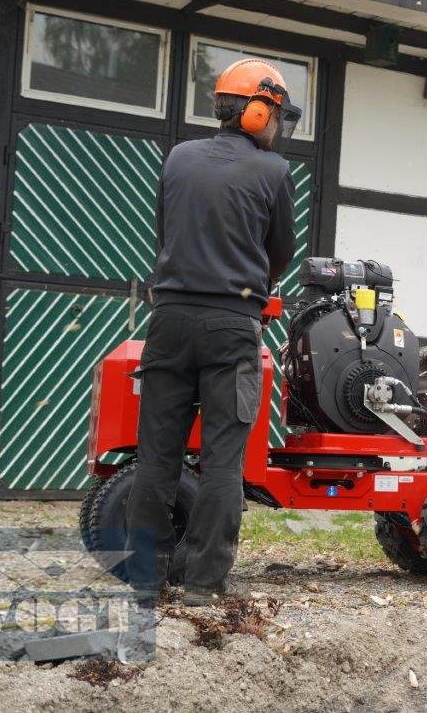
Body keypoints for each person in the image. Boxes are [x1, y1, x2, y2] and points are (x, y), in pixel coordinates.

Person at [124, 58, 301, 606]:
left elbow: (166, 233)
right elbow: (281, 253)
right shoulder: (274, 172)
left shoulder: (178, 157)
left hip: (169, 320)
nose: (277, 126)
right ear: (258, 112)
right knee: (223, 459)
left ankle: (144, 578)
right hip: (232, 324)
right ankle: (203, 584)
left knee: (157, 455)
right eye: (276, 115)